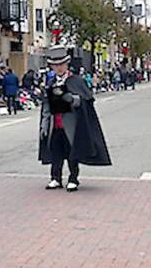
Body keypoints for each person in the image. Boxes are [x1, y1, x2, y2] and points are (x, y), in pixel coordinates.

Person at [39, 45, 112, 192]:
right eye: (56, 65)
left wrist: (71, 99)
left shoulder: (76, 81)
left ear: (67, 64)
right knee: (56, 152)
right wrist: (44, 125)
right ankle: (55, 178)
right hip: (56, 124)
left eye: (61, 64)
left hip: (72, 124)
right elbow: (46, 106)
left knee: (72, 152)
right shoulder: (51, 83)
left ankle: (73, 179)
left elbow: (85, 100)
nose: (59, 68)